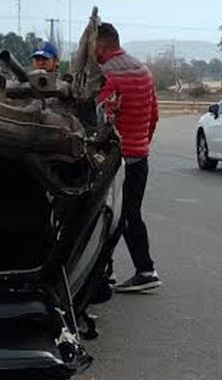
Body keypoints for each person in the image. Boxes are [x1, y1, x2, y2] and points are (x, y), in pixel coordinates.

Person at [96, 22, 161, 293]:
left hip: (115, 160)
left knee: (105, 217)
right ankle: (144, 270)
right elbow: (154, 113)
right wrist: (142, 143)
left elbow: (102, 118)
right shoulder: (143, 71)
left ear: (101, 44)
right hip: (139, 157)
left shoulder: (106, 74)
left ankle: (100, 275)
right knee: (130, 214)